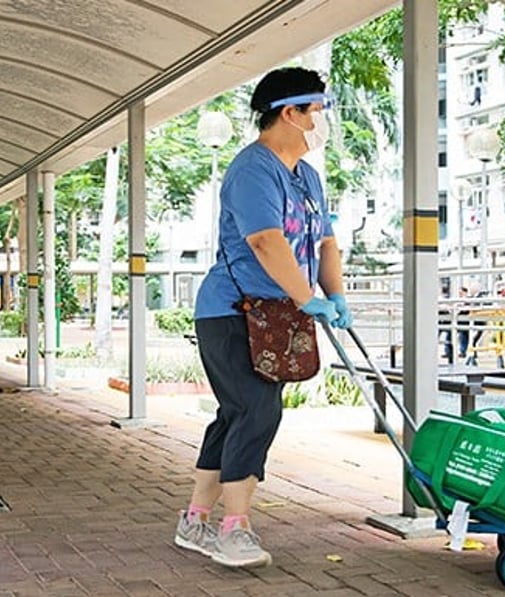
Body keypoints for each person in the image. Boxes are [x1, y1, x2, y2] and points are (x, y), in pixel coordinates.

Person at [175, 67, 353, 569]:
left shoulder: (308, 177)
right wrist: (306, 297)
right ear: (290, 113)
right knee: (256, 411)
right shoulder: (252, 169)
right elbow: (265, 241)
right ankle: (235, 528)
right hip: (232, 311)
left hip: (277, 314)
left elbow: (325, 243)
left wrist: (335, 296)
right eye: (317, 111)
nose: (322, 122)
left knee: (237, 413)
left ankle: (195, 520)